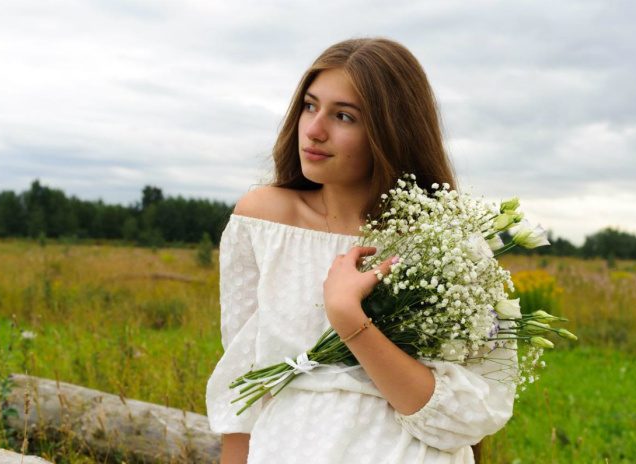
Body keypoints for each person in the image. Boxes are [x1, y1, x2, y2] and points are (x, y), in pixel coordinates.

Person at [205, 37, 515, 464]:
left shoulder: (448, 245)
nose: (314, 130)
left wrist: (349, 319)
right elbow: (243, 380)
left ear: (391, 132)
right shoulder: (262, 221)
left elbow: (473, 413)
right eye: (310, 106)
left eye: (344, 116)